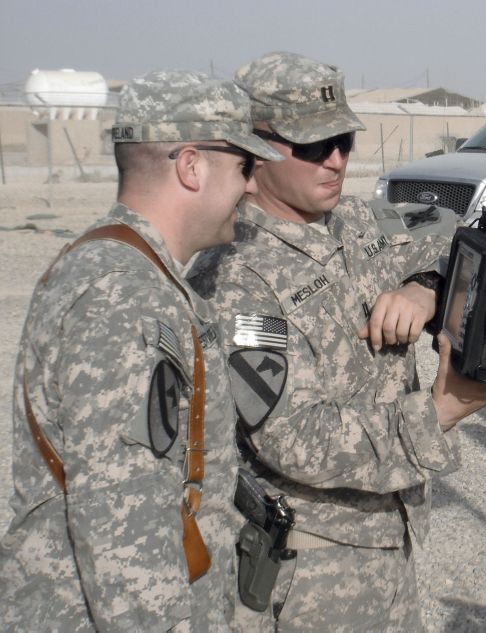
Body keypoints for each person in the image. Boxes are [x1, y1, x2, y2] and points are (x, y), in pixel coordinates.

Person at [187, 52, 486, 632]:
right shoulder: (234, 274)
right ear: (253, 149)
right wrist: (444, 410)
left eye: (343, 141)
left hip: (391, 532)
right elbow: (293, 439)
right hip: (315, 565)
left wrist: (423, 289)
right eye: (313, 146)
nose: (335, 160)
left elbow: (451, 233)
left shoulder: (354, 222)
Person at [0, 70, 282, 632]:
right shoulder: (124, 298)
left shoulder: (129, 274)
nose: (251, 187)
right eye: (244, 167)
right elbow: (123, 531)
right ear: (191, 166)